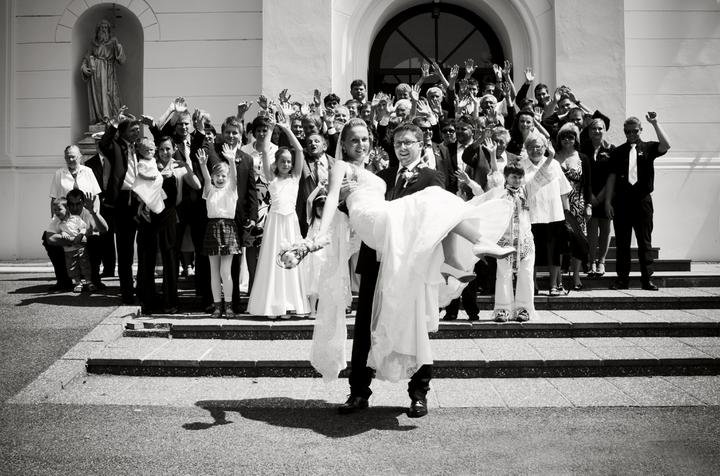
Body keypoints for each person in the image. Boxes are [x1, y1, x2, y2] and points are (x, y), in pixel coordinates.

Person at [310, 119, 513, 418]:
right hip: (375, 259)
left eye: (408, 143)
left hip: (412, 261)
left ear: (421, 145)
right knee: (365, 327)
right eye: (397, 143)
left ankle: (418, 394)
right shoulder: (379, 176)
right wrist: (342, 197)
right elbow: (359, 211)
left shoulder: (432, 177)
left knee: (415, 326)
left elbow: (440, 222)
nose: (402, 148)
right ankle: (358, 392)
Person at [458, 158, 558, 321]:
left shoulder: (527, 190)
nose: (517, 180)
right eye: (513, 177)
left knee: (526, 274)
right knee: (503, 275)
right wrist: (469, 181)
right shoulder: (499, 193)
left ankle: (524, 309)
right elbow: (482, 195)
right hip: (505, 243)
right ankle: (503, 309)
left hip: (525, 242)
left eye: (519, 177)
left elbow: (540, 177)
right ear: (506, 177)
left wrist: (550, 158)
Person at [247, 120, 310, 318]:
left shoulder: (295, 177)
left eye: (289, 162)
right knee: (273, 261)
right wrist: (271, 128)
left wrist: (286, 128)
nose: (286, 164)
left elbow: (299, 150)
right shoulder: (271, 178)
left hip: (290, 222)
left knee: (291, 259)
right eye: (283, 161)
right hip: (274, 223)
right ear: (277, 162)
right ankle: (273, 305)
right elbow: (265, 150)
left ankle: (290, 303)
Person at [605, 112, 671, 291]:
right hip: (622, 201)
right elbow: (611, 178)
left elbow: (666, 145)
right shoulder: (618, 152)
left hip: (642, 201)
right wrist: (608, 202)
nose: (631, 134)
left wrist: (655, 123)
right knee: (622, 243)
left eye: (635, 131)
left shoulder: (649, 148)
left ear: (641, 130)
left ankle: (647, 279)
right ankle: (622, 279)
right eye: (628, 132)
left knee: (644, 242)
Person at [137, 136, 200, 314]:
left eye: (168, 149)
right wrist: (142, 206)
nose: (165, 152)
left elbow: (197, 185)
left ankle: (170, 302)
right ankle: (148, 300)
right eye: (162, 149)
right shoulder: (149, 165)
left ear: (174, 149)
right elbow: (139, 189)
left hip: (170, 215)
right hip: (150, 216)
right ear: (157, 150)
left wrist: (187, 166)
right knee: (148, 259)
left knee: (170, 259)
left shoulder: (179, 168)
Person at [100, 107, 142, 304]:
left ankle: (143, 288)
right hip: (124, 202)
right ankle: (127, 293)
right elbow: (104, 143)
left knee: (144, 247)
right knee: (125, 251)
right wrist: (114, 124)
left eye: (138, 129)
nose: (137, 132)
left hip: (142, 200)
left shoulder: (140, 147)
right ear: (123, 131)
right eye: (133, 129)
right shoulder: (115, 146)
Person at [45, 145, 102, 291]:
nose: (70, 159)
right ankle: (63, 280)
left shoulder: (88, 171)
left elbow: (96, 196)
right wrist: (55, 220)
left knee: (94, 242)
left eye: (73, 156)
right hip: (66, 218)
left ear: (80, 157)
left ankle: (93, 279)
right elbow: (54, 198)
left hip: (86, 215)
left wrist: (95, 216)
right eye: (68, 157)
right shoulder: (59, 173)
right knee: (50, 241)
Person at [521, 134, 572, 296]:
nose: (535, 150)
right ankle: (532, 284)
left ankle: (553, 285)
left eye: (539, 147)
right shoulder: (521, 165)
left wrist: (567, 213)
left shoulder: (554, 164)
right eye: (531, 147)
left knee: (554, 251)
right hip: (531, 216)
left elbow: (564, 190)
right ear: (526, 149)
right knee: (532, 252)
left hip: (554, 215)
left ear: (545, 148)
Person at [197, 145, 241, 318]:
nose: (220, 178)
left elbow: (235, 177)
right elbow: (206, 179)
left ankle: (228, 306)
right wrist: (203, 165)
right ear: (213, 176)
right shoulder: (209, 190)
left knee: (225, 271)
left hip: (228, 228)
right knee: (213, 271)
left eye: (224, 175)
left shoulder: (231, 189)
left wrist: (231, 161)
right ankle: (217, 306)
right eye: (217, 175)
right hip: (212, 228)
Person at [45, 190, 108, 293]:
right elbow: (50, 238)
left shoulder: (88, 212)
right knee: (47, 241)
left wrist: (93, 212)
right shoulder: (61, 215)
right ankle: (64, 281)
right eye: (71, 204)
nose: (75, 208)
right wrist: (74, 240)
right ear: (67, 204)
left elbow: (104, 229)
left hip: (86, 251)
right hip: (69, 252)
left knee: (96, 240)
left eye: (78, 204)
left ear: (83, 203)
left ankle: (93, 279)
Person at [555, 123, 591, 290]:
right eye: (563, 137)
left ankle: (576, 276)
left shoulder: (583, 158)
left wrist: (588, 205)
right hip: (557, 203)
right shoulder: (554, 157)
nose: (567, 140)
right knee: (559, 241)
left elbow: (588, 184)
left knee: (578, 241)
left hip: (578, 203)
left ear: (575, 139)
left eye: (570, 136)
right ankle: (559, 279)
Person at [581, 117, 614, 277]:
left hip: (606, 196)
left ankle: (602, 261)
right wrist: (590, 197)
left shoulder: (611, 149)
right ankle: (592, 261)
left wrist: (601, 197)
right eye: (594, 128)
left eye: (600, 128)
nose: (597, 131)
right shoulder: (582, 148)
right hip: (588, 195)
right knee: (592, 229)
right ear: (589, 131)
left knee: (605, 229)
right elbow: (582, 175)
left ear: (604, 130)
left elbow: (612, 175)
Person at [80, 19, 126, 125]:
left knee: (111, 95)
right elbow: (86, 57)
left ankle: (112, 119)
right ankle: (101, 119)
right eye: (101, 28)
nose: (103, 30)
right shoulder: (93, 43)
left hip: (109, 72)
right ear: (98, 30)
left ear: (109, 30)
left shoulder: (113, 42)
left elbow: (121, 60)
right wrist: (83, 67)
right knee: (98, 96)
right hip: (96, 74)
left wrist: (119, 47)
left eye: (105, 28)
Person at [84, 132, 116, 280]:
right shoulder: (89, 164)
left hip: (117, 204)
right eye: (97, 144)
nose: (100, 146)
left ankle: (123, 269)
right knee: (104, 237)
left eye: (102, 143)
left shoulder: (117, 160)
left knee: (121, 238)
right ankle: (108, 269)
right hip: (99, 206)